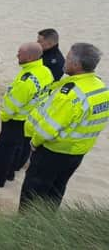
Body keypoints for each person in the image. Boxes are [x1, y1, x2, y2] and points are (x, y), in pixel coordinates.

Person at [19, 43, 109, 210]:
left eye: (67, 59)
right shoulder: (101, 88)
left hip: (53, 152)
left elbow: (48, 129)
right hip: (77, 152)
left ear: (77, 65)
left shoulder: (70, 94)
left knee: (32, 195)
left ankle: (23, 230)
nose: (64, 62)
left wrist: (34, 142)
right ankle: (48, 226)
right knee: (55, 191)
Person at [0, 43, 53, 188]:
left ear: (30, 57)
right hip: (32, 118)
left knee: (4, 149)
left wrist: (4, 116)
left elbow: (12, 106)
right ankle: (11, 171)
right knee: (21, 146)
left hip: (16, 119)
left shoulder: (27, 80)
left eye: (20, 53)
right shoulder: (45, 71)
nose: (17, 55)